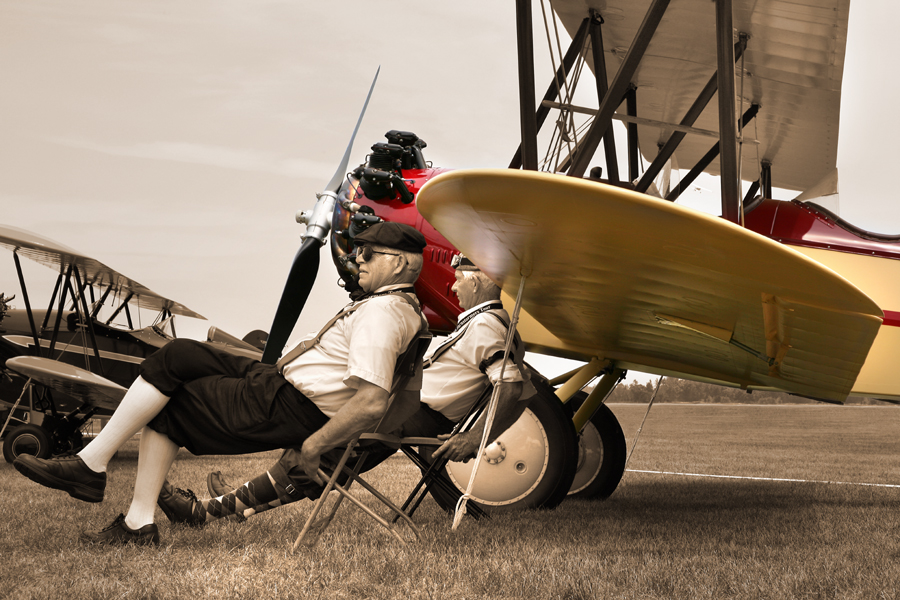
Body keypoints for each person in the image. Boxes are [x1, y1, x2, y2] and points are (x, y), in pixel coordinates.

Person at [13, 221, 429, 547]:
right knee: (177, 354)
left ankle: (125, 509)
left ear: (398, 263)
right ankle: (97, 471)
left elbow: (373, 400)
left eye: (368, 253)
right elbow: (406, 398)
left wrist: (315, 445)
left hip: (287, 403)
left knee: (168, 405)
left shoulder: (383, 313)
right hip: (277, 382)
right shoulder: (404, 311)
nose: (358, 260)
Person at [154, 254, 536, 527]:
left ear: (480, 278)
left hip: (410, 415)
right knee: (317, 437)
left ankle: (211, 510)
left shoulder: (487, 325)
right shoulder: (494, 326)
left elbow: (511, 387)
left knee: (318, 439)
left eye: (459, 276)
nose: (452, 285)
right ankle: (236, 502)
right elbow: (524, 395)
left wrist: (474, 437)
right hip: (408, 411)